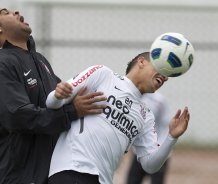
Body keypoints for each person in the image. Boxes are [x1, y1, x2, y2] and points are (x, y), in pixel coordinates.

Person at [0, 8, 106, 184]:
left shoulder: (40, 61)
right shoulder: (1, 64)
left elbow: (60, 102)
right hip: (16, 175)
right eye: (5, 12)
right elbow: (18, 116)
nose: (15, 11)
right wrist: (72, 111)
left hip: (47, 172)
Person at [46, 52, 190, 184]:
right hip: (72, 169)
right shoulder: (103, 74)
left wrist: (171, 137)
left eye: (167, 76)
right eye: (161, 68)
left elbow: (149, 165)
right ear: (141, 62)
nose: (165, 78)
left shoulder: (146, 115)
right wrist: (58, 96)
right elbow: (51, 102)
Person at [127, 92, 172, 184]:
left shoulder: (159, 101)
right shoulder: (132, 96)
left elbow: (165, 126)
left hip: (157, 152)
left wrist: (159, 149)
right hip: (138, 152)